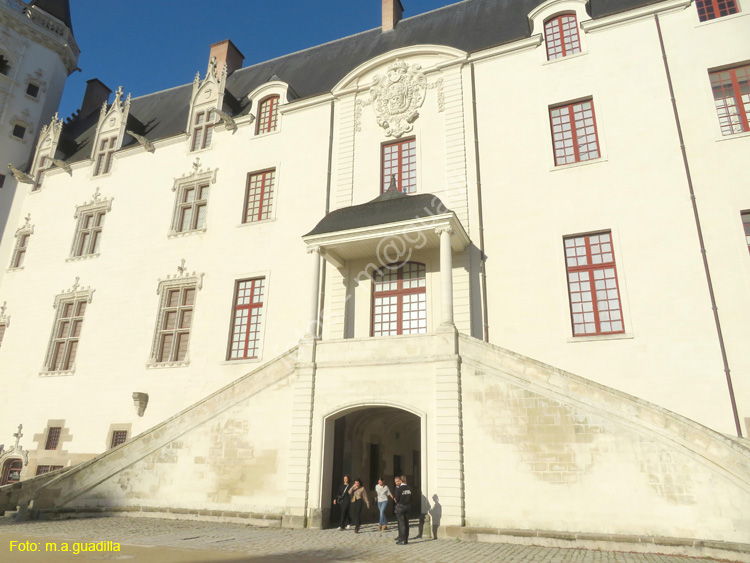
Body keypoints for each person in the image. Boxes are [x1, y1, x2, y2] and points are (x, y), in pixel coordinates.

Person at [391, 475, 412, 545]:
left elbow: (396, 498)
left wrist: (396, 501)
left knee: (401, 524)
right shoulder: (409, 488)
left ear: (400, 481)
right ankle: (406, 539)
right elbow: (412, 497)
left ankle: (402, 539)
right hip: (408, 506)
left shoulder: (399, 489)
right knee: (406, 523)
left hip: (401, 507)